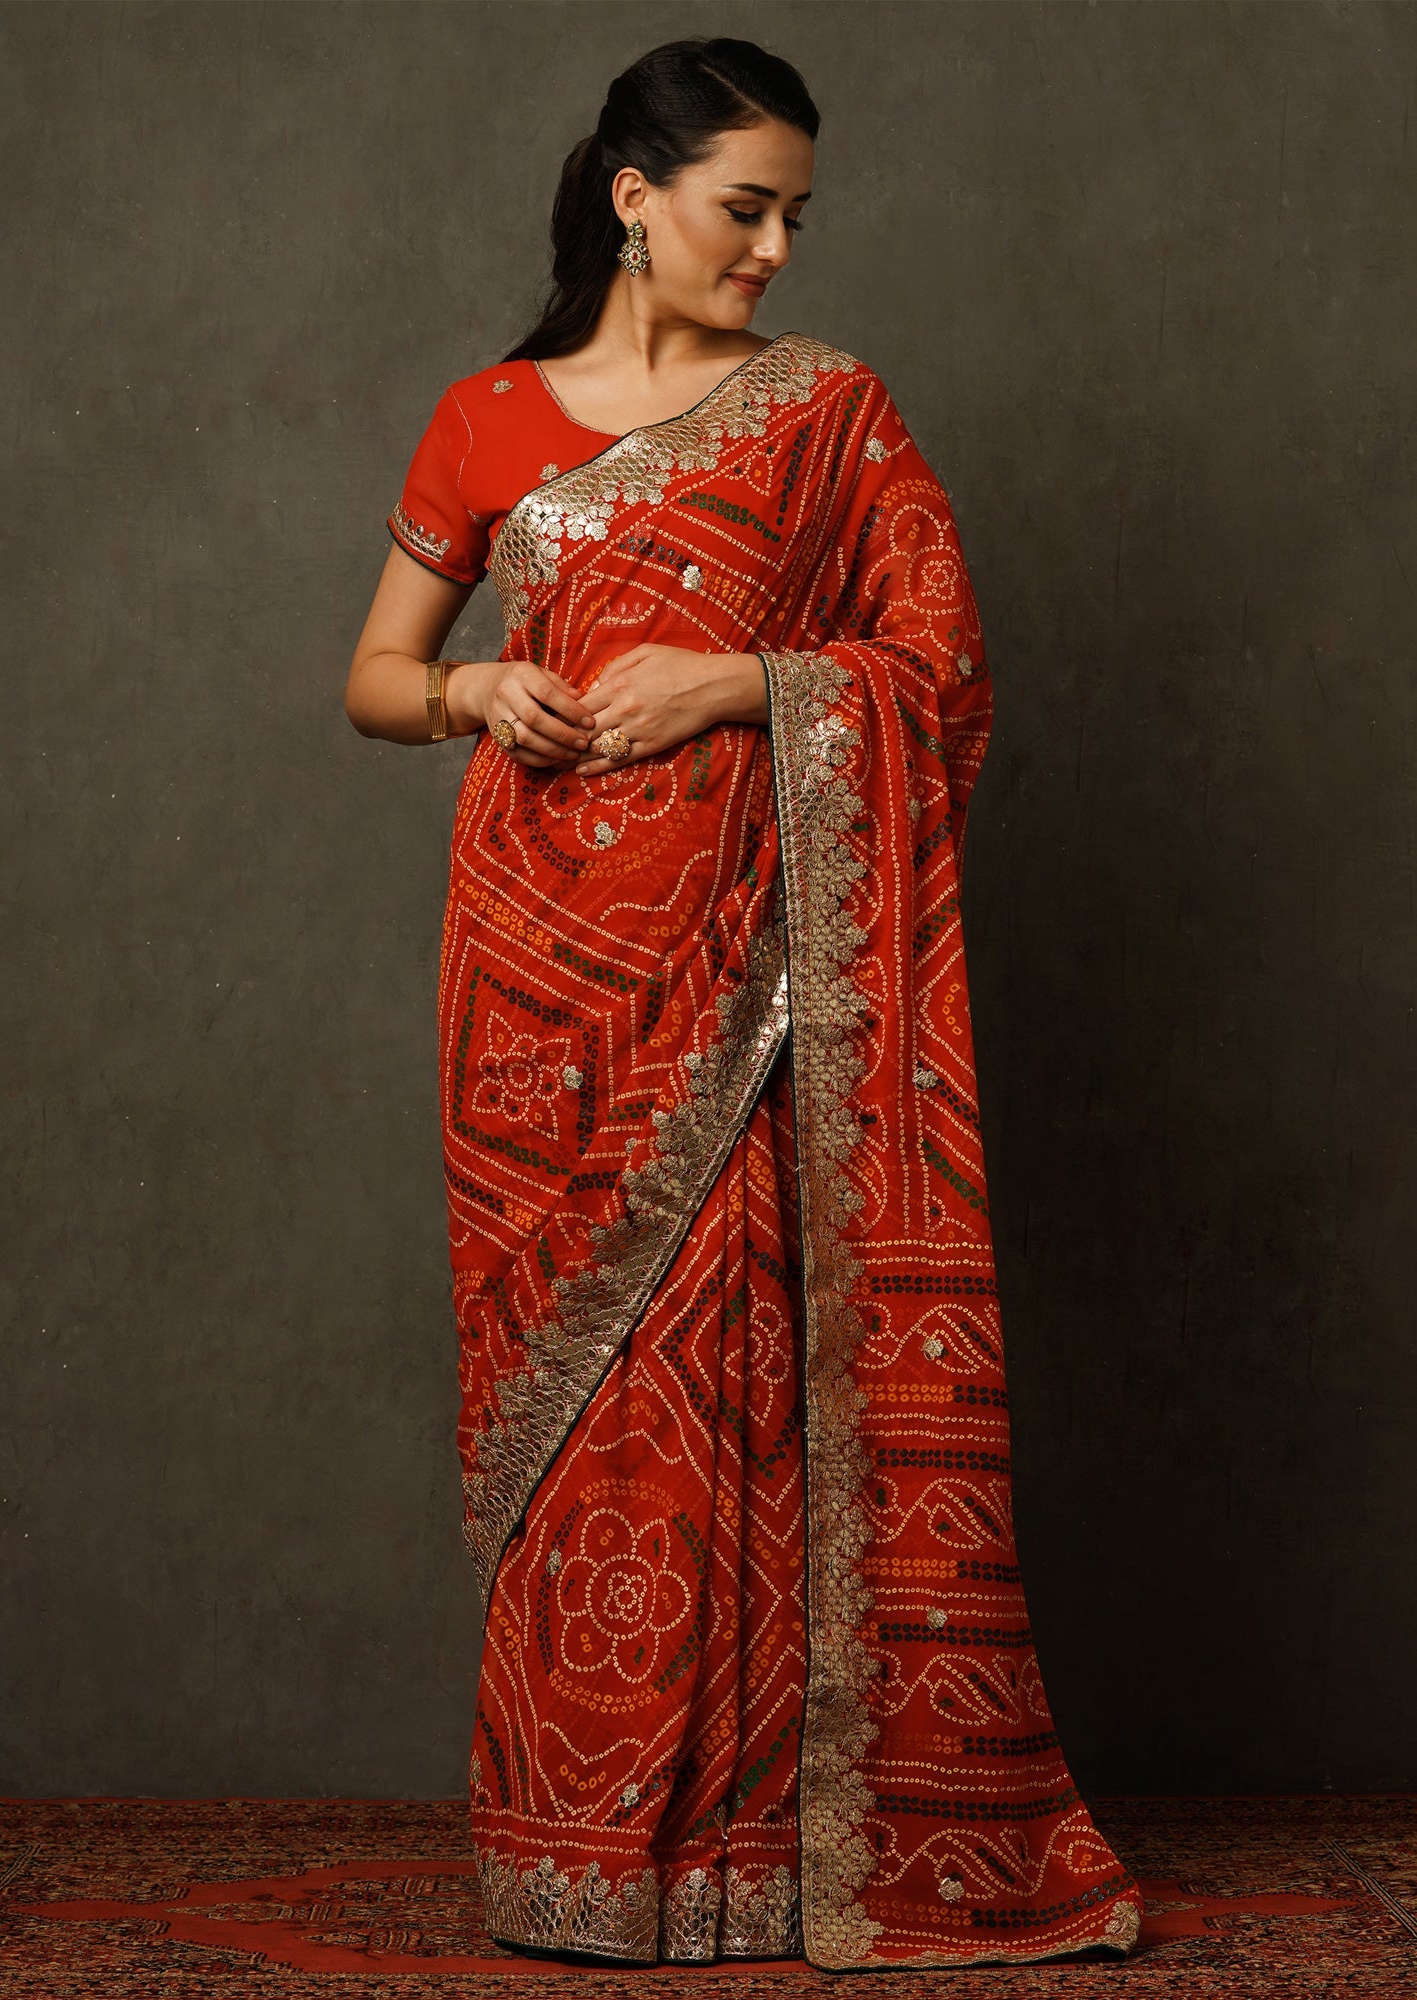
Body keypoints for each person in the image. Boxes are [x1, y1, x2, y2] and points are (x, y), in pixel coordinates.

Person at [346, 34, 1144, 1974]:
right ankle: (573, 1851)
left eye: (796, 216)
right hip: (534, 980)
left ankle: (755, 1855)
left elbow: (938, 669)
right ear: (637, 198)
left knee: (741, 1374)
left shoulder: (832, 413)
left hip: (758, 969)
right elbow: (374, 674)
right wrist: (475, 692)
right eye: (744, 208)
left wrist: (741, 683)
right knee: (573, 1402)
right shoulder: (484, 420)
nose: (776, 249)